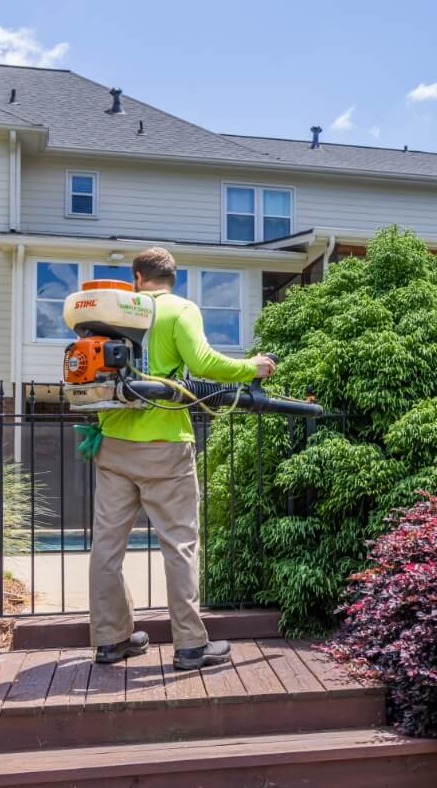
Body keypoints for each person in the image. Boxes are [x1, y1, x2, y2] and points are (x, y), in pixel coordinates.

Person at [89, 247, 275, 671]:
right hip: (165, 444)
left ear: (138, 277)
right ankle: (190, 646)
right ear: (174, 277)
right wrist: (253, 367)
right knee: (179, 544)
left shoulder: (115, 312)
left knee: (106, 547)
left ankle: (110, 640)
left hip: (113, 443)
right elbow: (203, 362)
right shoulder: (180, 309)